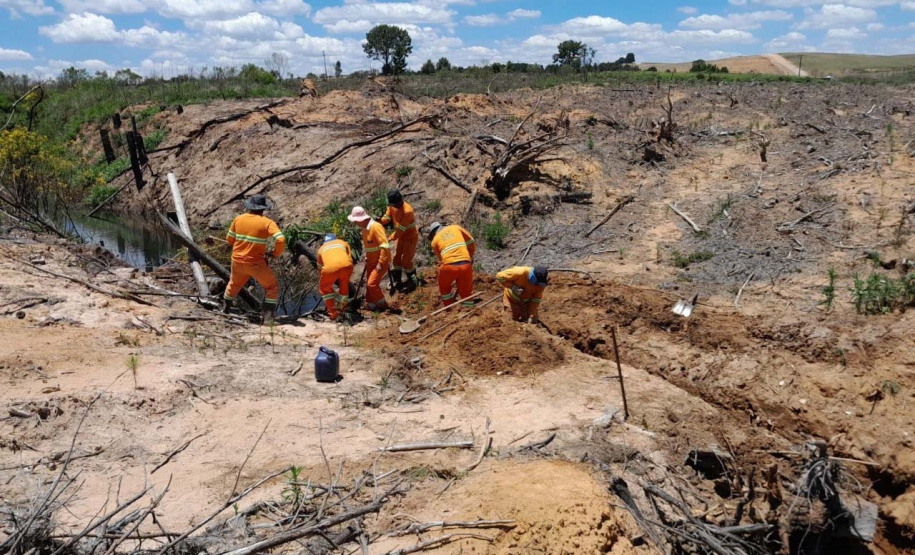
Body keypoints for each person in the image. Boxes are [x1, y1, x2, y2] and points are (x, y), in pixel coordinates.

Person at [224, 194, 285, 324]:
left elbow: (229, 240)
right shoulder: (267, 222)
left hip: (237, 261)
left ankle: (225, 311)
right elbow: (281, 239)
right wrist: (274, 253)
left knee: (234, 284)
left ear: (249, 207)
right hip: (256, 264)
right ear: (263, 209)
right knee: (271, 287)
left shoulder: (238, 219)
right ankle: (268, 319)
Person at [348, 206, 391, 311]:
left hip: (380, 262)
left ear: (361, 219)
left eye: (356, 221)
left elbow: (385, 246)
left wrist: (381, 263)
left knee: (372, 284)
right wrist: (367, 257)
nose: (355, 224)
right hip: (371, 262)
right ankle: (371, 305)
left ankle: (383, 306)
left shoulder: (376, 227)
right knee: (369, 285)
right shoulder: (364, 229)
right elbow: (370, 246)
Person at [428, 222, 476, 308]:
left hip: (449, 266)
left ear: (433, 233)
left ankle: (449, 309)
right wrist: (469, 256)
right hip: (466, 264)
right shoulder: (456, 228)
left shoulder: (434, 241)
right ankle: (468, 310)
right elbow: (471, 241)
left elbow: (441, 259)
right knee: (466, 291)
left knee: (444, 288)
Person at [379, 189, 418, 292]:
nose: (393, 206)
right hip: (401, 237)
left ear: (400, 200)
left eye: (395, 204)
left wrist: (390, 238)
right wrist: (380, 220)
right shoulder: (392, 206)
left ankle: (413, 280)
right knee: (396, 259)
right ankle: (398, 279)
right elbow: (387, 217)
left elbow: (401, 229)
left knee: (406, 260)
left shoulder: (407, 211)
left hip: (410, 237)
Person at [316, 233, 354, 320]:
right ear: (335, 239)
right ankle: (342, 309)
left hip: (330, 269)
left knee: (323, 288)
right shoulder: (343, 243)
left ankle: (333, 313)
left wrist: (323, 278)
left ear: (325, 242)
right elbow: (349, 258)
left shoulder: (321, 249)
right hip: (347, 266)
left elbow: (320, 268)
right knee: (344, 285)